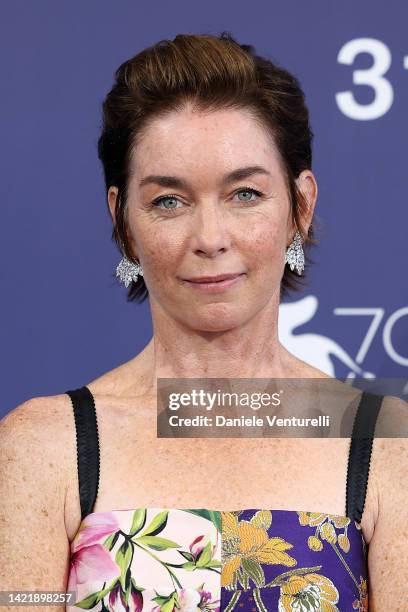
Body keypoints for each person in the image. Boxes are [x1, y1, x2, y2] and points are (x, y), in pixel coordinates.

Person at [1, 31, 407, 612]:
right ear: (123, 222)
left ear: (301, 206)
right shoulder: (42, 447)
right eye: (169, 200)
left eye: (244, 193)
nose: (210, 239)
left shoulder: (387, 446)